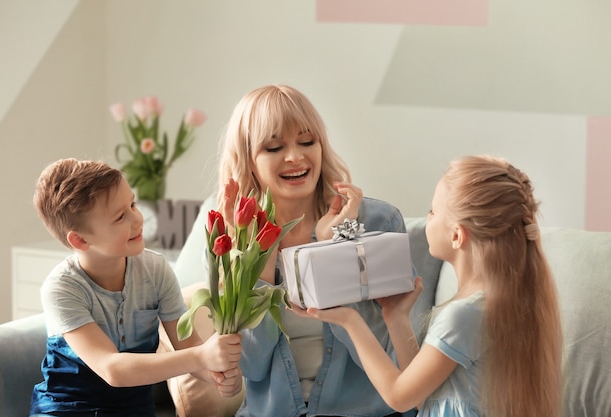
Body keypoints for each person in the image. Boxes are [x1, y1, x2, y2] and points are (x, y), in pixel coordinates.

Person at [296, 155, 564, 417]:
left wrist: (351, 320)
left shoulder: (463, 316)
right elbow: (421, 394)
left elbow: (399, 397)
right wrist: (397, 318)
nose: (428, 218)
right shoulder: (493, 303)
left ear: (457, 235)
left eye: (433, 212)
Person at [215, 84, 411, 417]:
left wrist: (332, 250)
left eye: (307, 142)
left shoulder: (379, 222)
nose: (295, 157)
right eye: (274, 147)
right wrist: (257, 259)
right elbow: (253, 365)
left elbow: (391, 357)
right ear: (249, 160)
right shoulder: (235, 239)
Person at [30, 158, 242, 417]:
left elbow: (188, 347)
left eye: (132, 204)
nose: (137, 219)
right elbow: (113, 369)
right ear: (80, 239)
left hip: (133, 409)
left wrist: (219, 376)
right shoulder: (61, 289)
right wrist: (201, 357)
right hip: (67, 408)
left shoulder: (156, 270)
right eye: (120, 217)